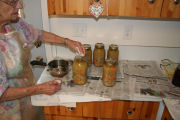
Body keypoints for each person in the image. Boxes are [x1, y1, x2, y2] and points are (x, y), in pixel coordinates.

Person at [0, 0, 85, 120]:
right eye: (13, 2)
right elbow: (1, 93)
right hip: (8, 112)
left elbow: (38, 34)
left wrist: (67, 42)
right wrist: (39, 88)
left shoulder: (15, 23)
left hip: (28, 99)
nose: (20, 6)